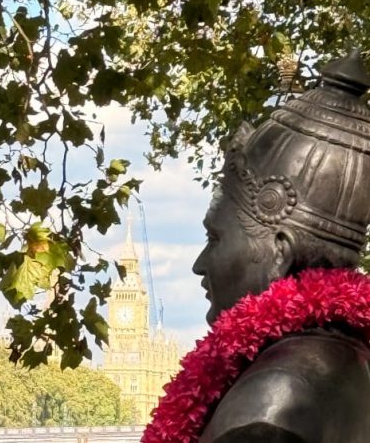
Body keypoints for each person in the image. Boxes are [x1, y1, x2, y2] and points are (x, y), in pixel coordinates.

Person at [156, 50, 370, 442]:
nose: (200, 265)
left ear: (279, 254)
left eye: (215, 238)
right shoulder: (352, 367)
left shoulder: (272, 397)